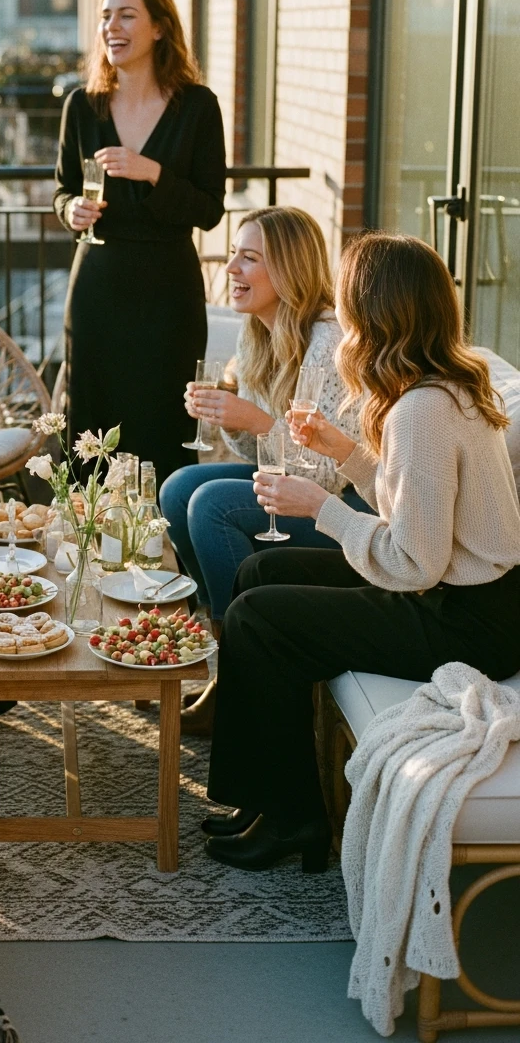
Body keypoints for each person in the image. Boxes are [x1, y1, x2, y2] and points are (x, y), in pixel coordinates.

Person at [201, 233, 520, 872]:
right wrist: (344, 452)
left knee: (259, 618)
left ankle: (296, 818)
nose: (338, 316)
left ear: (373, 311)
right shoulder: (439, 387)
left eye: (346, 301)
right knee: (259, 568)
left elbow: (414, 561)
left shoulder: (422, 410)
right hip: (458, 595)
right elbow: (417, 512)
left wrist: (323, 508)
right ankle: (262, 795)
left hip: (464, 618)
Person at [159, 206, 366, 735]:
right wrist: (229, 418)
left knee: (212, 505)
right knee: (179, 487)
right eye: (234, 253)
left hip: (347, 512)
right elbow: (259, 458)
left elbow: (325, 477)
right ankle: (220, 654)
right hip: (298, 489)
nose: (231, 267)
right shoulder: (258, 334)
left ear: (289, 271)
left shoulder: (328, 343)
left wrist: (259, 420)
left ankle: (238, 670)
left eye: (249, 258)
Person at [55, 0, 226, 488]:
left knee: (164, 418)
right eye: (106, 16)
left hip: (167, 290)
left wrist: (151, 172)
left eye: (126, 15)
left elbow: (210, 208)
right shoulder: (81, 106)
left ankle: (164, 542)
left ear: (159, 28)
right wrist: (71, 214)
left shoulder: (197, 107)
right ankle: (85, 542)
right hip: (98, 286)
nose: (112, 27)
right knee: (90, 418)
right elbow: (63, 191)